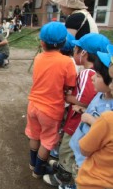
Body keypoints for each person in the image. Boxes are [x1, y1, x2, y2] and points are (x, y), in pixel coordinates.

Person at [43, 33, 110, 188]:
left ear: (84, 53)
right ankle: (64, 167)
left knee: (69, 148)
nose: (73, 51)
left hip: (77, 124)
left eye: (76, 48)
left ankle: (64, 178)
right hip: (82, 124)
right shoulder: (96, 74)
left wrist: (64, 95)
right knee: (69, 150)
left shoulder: (88, 73)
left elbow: (83, 99)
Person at [25, 22, 77, 179]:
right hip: (51, 109)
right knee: (47, 141)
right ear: (63, 43)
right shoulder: (66, 62)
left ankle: (32, 163)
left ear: (42, 43)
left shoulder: (38, 57)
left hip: (33, 105)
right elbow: (70, 84)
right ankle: (39, 170)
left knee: (34, 135)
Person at [70, 47, 113, 189]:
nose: (93, 77)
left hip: (89, 158)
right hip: (81, 145)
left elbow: (105, 127)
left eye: (99, 76)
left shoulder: (110, 110)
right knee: (75, 167)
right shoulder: (101, 94)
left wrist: (88, 119)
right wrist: (83, 110)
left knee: (79, 175)